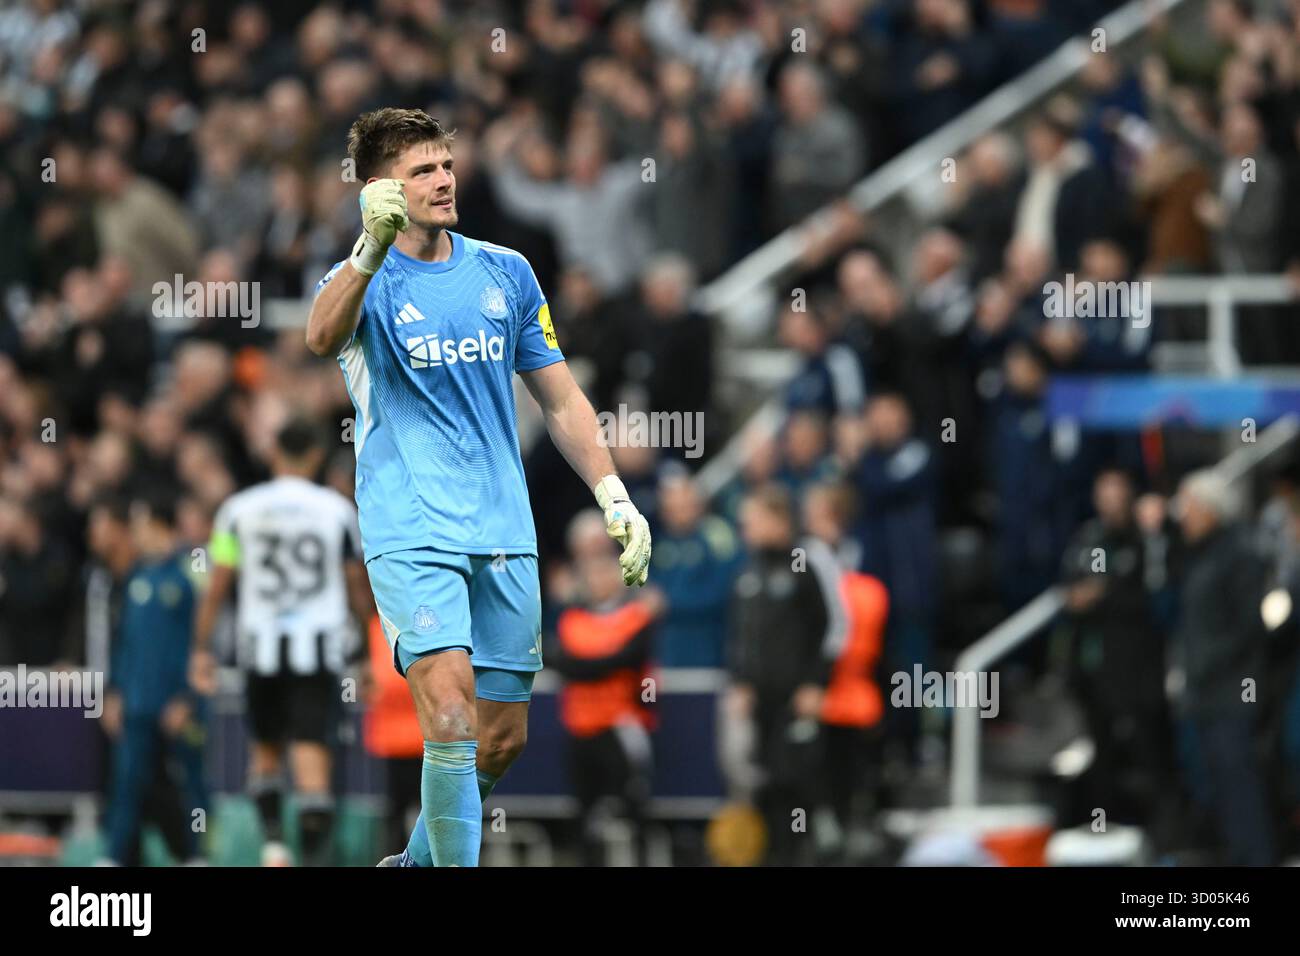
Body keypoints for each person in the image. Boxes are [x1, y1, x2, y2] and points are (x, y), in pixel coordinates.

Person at [304, 108, 653, 867]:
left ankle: (416, 865)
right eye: (421, 170)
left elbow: (560, 399)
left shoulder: (507, 271)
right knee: (452, 716)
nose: (442, 180)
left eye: (446, 165)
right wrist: (367, 249)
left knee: (501, 738)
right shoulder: (359, 278)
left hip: (503, 531)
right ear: (378, 190)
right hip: (411, 529)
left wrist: (613, 494)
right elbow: (319, 338)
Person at [190, 417, 372, 866]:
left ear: (274, 454)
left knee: (265, 754)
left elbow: (218, 583)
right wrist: (366, 653)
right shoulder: (337, 510)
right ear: (314, 455)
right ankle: (310, 858)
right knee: (313, 766)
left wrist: (200, 649)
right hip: (319, 651)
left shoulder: (237, 509)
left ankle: (273, 846)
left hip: (261, 649)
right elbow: (355, 586)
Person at [100, 492, 207, 866]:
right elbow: (125, 641)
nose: (135, 534)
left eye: (140, 525)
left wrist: (188, 697)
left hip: (178, 703)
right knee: (126, 783)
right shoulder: (136, 577)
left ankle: (197, 857)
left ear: (158, 525)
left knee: (191, 784)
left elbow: (202, 642)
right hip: (137, 702)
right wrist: (114, 691)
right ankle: (114, 857)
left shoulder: (190, 574)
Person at [549, 537, 663, 865]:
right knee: (584, 813)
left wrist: (594, 662)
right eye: (592, 574)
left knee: (634, 807)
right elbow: (569, 665)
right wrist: (604, 659)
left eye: (605, 573)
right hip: (580, 727)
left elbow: (627, 658)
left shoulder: (636, 617)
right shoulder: (573, 620)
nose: (599, 581)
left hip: (620, 725)